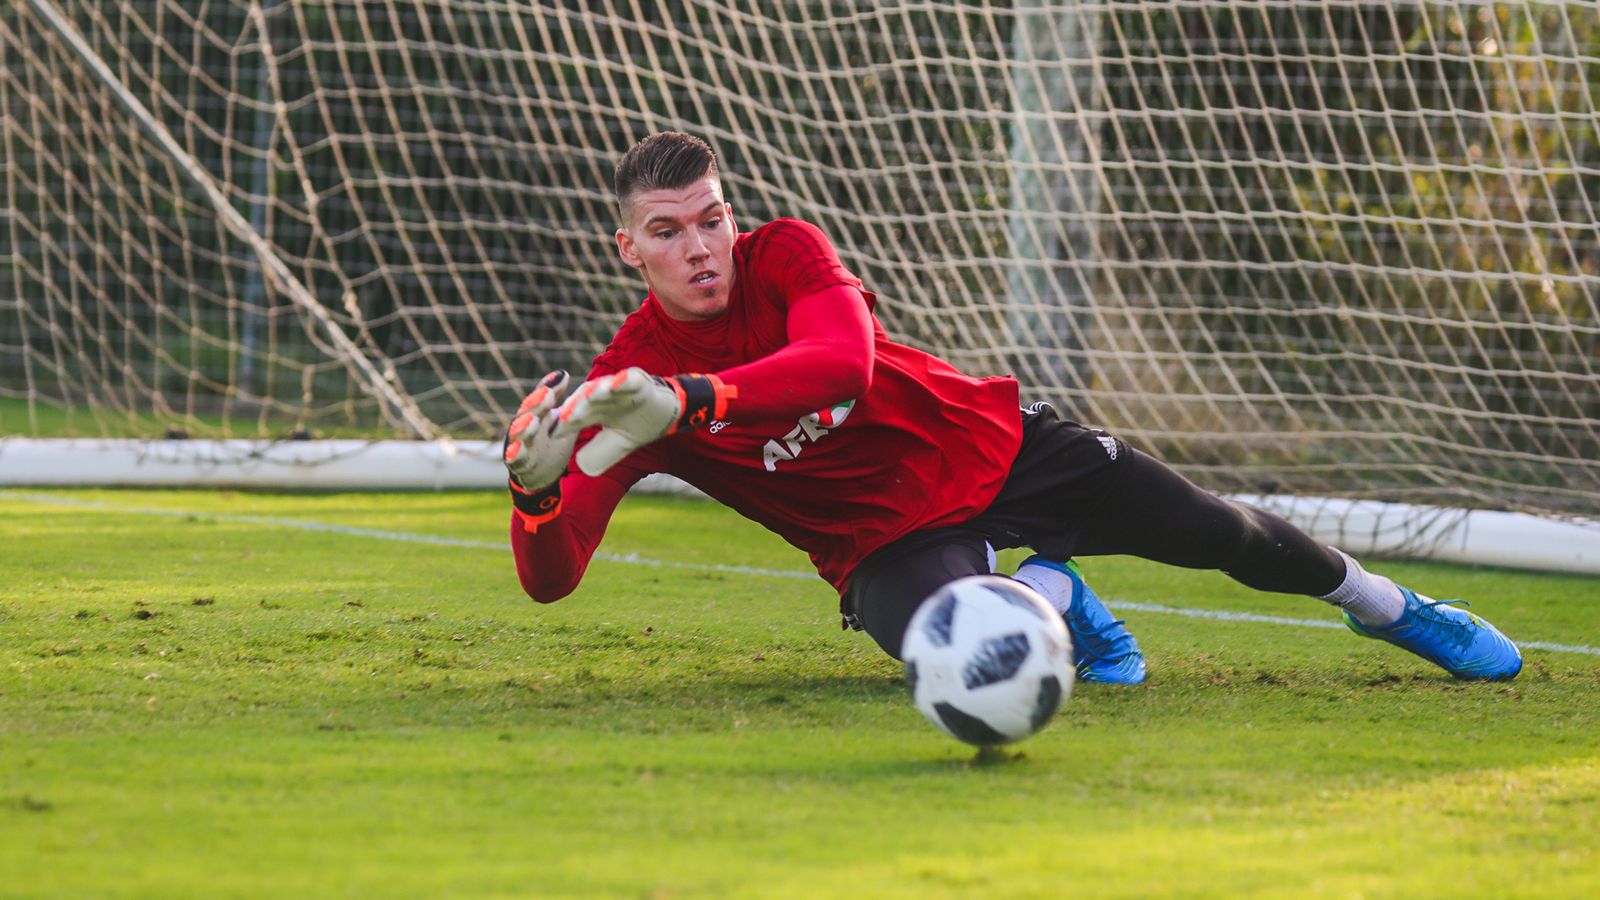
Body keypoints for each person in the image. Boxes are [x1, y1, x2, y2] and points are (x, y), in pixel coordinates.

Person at [501, 131, 1522, 684]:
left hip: (992, 446)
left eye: (712, 218)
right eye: (669, 231)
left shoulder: (786, 254)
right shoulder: (621, 386)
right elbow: (553, 583)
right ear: (627, 251)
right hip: (882, 542)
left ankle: (1390, 610)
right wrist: (535, 498)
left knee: (1227, 535)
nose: (701, 245)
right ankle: (1058, 598)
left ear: (734, 214)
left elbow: (841, 366)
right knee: (965, 647)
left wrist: (695, 397)